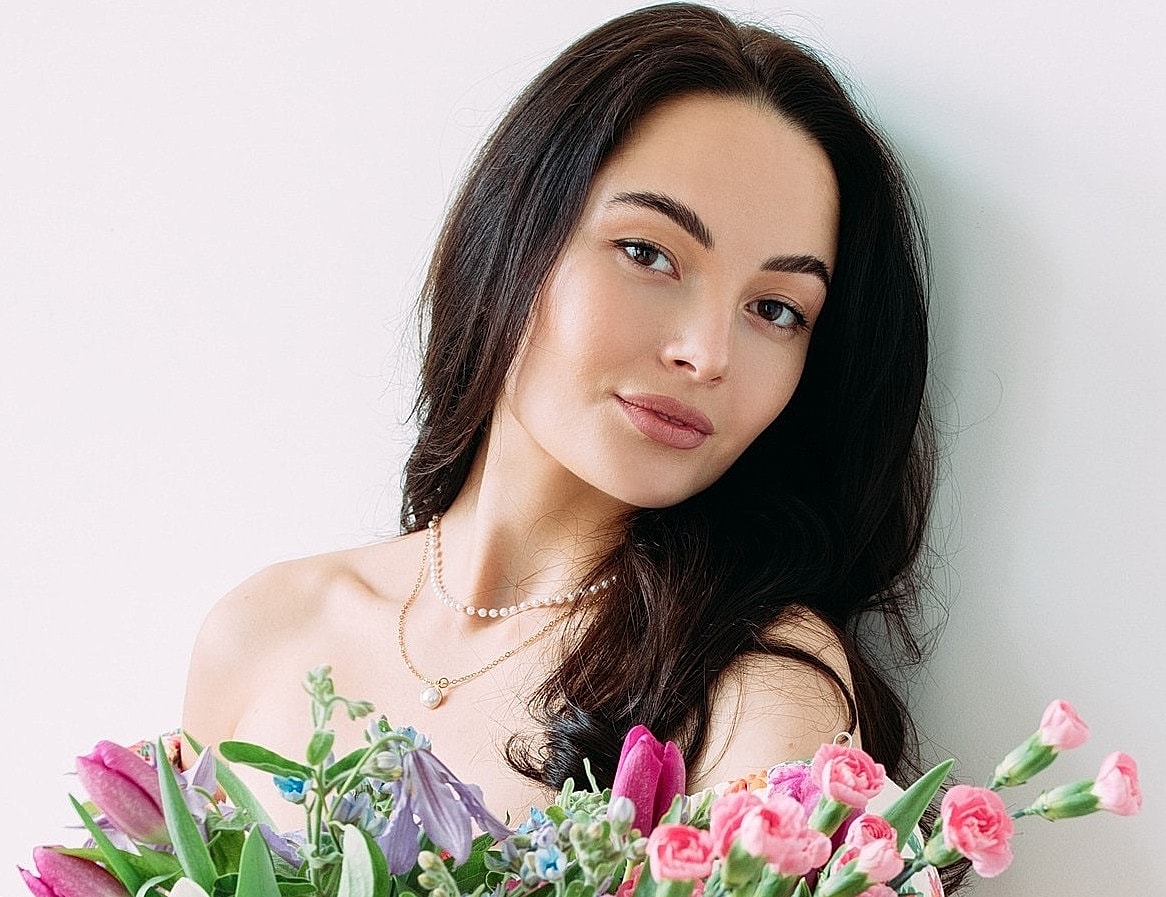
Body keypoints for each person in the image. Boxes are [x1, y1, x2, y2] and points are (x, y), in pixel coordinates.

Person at [183, 0, 936, 854]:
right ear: (514, 233)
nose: (706, 353)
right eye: (649, 253)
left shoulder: (754, 679)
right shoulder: (267, 630)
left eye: (775, 308)